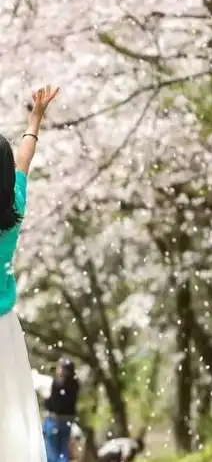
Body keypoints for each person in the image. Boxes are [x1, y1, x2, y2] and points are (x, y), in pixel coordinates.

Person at [0, 85, 59, 462]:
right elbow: (25, 157)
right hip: (4, 330)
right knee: (10, 423)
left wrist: (34, 117)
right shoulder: (14, 205)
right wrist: (34, 119)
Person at [43, 357, 81, 462]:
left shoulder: (58, 383)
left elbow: (54, 403)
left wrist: (46, 402)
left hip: (55, 420)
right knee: (63, 450)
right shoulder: (75, 383)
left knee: (51, 450)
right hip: (68, 419)